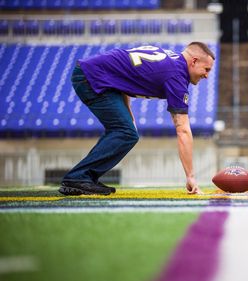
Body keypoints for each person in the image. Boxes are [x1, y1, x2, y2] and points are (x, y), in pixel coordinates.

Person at [59, 42, 215, 196]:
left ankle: (86, 178)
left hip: (98, 75)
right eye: (206, 69)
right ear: (194, 61)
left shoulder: (172, 61)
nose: (207, 75)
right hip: (93, 77)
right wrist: (190, 177)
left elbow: (124, 76)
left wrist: (129, 115)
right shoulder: (176, 75)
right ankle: (78, 178)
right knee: (126, 133)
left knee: (127, 132)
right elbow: (183, 130)